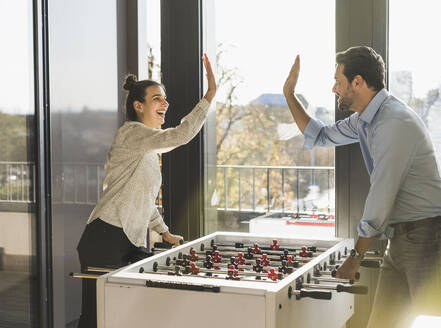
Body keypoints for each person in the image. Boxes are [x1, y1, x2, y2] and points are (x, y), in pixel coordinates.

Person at [283, 46, 441, 327]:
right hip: (400, 238)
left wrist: (356, 255)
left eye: (338, 81)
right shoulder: (364, 121)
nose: (334, 88)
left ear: (358, 82)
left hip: (428, 239)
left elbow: (381, 194)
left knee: (430, 320)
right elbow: (319, 135)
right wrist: (289, 95)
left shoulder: (394, 122)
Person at [76, 53, 216, 328]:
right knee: (98, 318)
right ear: (138, 106)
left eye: (164, 98)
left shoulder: (148, 148)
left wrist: (164, 232)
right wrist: (209, 95)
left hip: (126, 239)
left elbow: (143, 199)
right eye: (157, 99)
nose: (165, 103)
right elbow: (181, 135)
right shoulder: (132, 134)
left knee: (123, 315)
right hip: (106, 236)